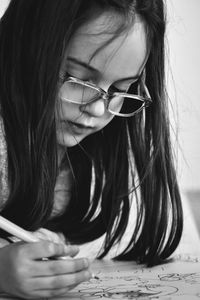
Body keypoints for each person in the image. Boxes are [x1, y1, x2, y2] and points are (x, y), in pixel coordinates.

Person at [0, 0, 183, 298]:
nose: (98, 108)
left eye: (121, 89)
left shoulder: (77, 150)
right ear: (26, 45)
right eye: (79, 78)